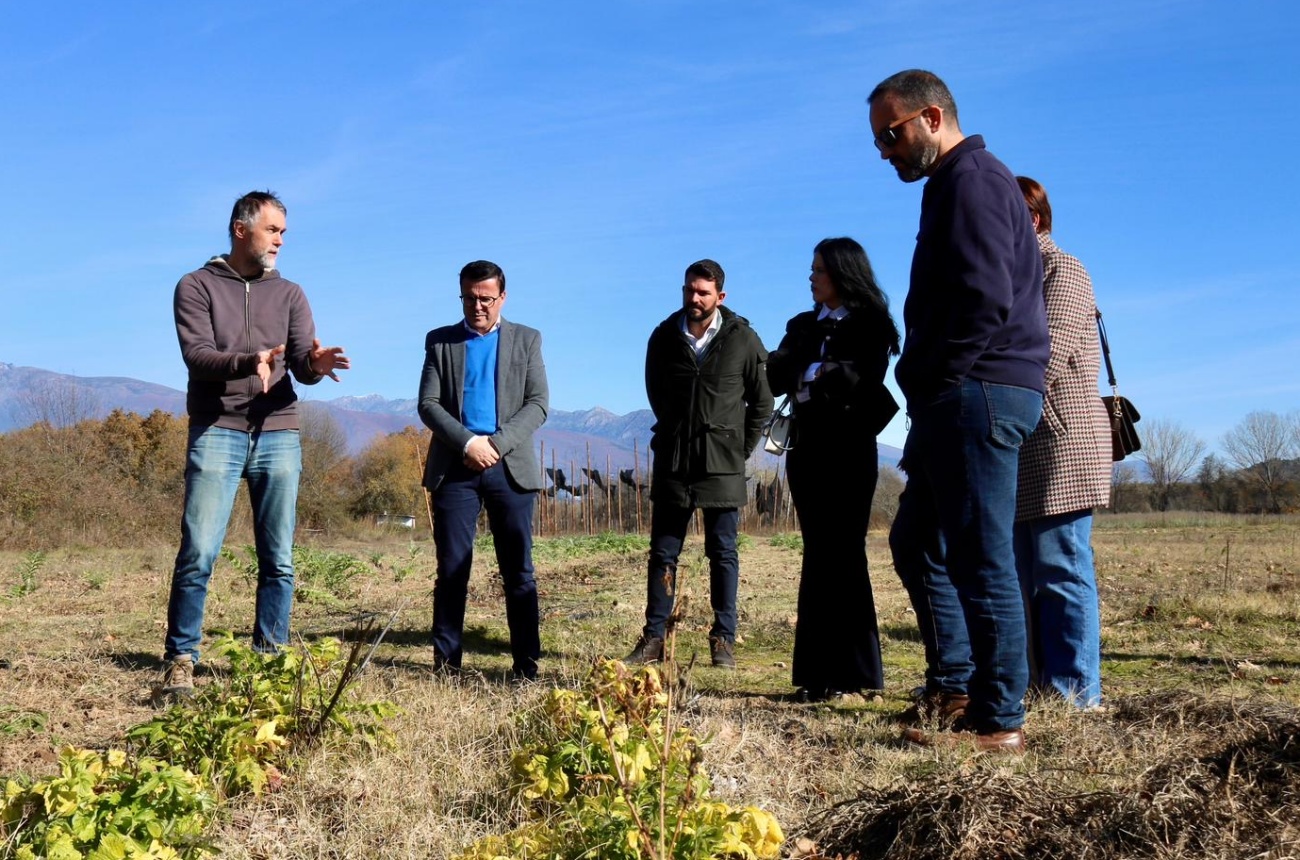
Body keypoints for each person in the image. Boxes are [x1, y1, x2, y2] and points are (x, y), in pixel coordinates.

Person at [869, 70, 1049, 752]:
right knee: (919, 541)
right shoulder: (953, 183)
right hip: (961, 393)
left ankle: (999, 720)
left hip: (978, 391)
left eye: (892, 134)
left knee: (980, 557)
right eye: (878, 140)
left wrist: (938, 377)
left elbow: (983, 298)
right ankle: (955, 686)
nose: (885, 150)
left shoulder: (973, 180)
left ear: (933, 117)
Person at [161, 190, 351, 699]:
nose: (280, 241)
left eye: (283, 232)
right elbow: (198, 356)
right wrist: (251, 361)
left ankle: (268, 664)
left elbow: (302, 365)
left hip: (278, 432)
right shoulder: (196, 285)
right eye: (273, 230)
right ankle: (181, 659)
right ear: (241, 229)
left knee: (279, 558)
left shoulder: (290, 293)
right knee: (199, 551)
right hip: (217, 429)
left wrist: (315, 365)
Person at [767, 238, 900, 702]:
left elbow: (861, 379)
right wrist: (818, 372)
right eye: (812, 268)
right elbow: (775, 375)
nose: (811, 276)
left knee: (846, 552)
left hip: (850, 451)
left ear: (842, 273)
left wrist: (811, 371)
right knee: (816, 552)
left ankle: (858, 673)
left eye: (819, 269)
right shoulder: (801, 325)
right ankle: (816, 676)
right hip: (807, 451)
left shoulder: (872, 325)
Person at [627, 259, 773, 669]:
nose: (694, 298)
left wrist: (737, 449)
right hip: (674, 459)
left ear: (720, 296)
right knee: (662, 553)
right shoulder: (663, 337)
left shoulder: (743, 339)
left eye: (703, 292)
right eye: (689, 290)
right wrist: (675, 430)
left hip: (722, 463)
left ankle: (723, 639)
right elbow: (656, 392)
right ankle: (654, 638)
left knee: (722, 552)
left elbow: (762, 402)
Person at [418, 260, 548, 681]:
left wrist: (495, 444)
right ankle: (446, 667)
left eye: (486, 299)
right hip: (455, 469)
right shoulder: (440, 342)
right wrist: (468, 443)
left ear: (502, 297)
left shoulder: (527, 340)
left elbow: (538, 404)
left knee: (519, 572)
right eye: (470, 298)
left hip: (510, 469)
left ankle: (526, 667)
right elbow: (428, 404)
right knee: (451, 569)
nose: (478, 306)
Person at [1014, 176, 1112, 709]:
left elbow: (1045, 355)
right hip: (1021, 440)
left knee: (1061, 568)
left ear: (1032, 219)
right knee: (1023, 574)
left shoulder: (1063, 269)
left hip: (1061, 442)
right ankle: (1037, 687)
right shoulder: (1013, 277)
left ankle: (1077, 695)